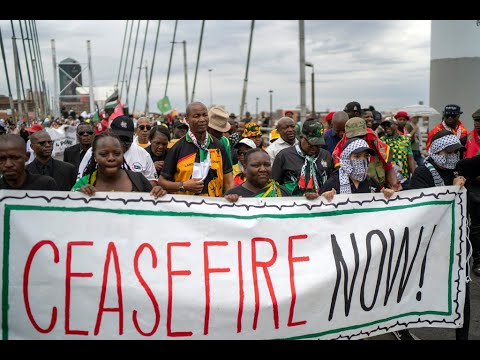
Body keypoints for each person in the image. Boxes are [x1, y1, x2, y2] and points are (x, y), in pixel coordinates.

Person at [409, 129, 469, 341]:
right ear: (435, 150)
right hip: (430, 248)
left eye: (456, 152)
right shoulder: (422, 173)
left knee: (462, 294)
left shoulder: (457, 170)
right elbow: (421, 211)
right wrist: (452, 192)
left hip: (455, 244)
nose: (453, 155)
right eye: (449, 151)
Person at [158, 101, 234, 197]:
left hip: (213, 207)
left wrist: (230, 198)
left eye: (204, 115)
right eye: (196, 116)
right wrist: (183, 186)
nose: (202, 119)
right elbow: (162, 181)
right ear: (187, 119)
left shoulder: (218, 145)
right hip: (185, 208)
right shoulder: (177, 147)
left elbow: (229, 181)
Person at [72, 132, 166, 198]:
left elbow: (152, 206)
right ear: (95, 156)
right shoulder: (84, 183)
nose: (111, 158)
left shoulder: (138, 179)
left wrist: (159, 193)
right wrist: (78, 195)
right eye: (104, 154)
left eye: (117, 154)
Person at [77, 115, 158, 186]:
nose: (121, 143)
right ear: (110, 132)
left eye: (126, 139)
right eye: (118, 138)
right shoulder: (94, 151)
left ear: (133, 135)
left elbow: (153, 181)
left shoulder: (143, 154)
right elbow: (80, 181)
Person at [332, 117, 401, 191]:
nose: (358, 140)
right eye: (354, 137)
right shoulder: (341, 151)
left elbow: (388, 167)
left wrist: (394, 186)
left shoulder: (377, 146)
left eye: (361, 136)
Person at [272, 118, 333, 198]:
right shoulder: (284, 156)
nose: (314, 147)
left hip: (321, 205)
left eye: (318, 144)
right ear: (301, 138)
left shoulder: (326, 156)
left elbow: (332, 182)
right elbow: (274, 186)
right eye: (311, 143)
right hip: (293, 206)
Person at [321, 138, 395, 201]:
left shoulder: (372, 182)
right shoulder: (333, 183)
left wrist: (387, 195)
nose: (362, 160)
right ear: (346, 159)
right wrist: (324, 198)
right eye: (357, 157)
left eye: (366, 156)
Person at [224, 148, 290, 202]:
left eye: (267, 165)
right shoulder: (232, 195)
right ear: (245, 168)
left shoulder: (282, 192)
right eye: (256, 165)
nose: (263, 169)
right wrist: (230, 204)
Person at [380, 117, 416, 190]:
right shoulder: (382, 140)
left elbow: (410, 158)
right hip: (389, 180)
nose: (386, 127)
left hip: (405, 179)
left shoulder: (405, 140)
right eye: (384, 125)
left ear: (396, 125)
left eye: (388, 124)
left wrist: (415, 176)